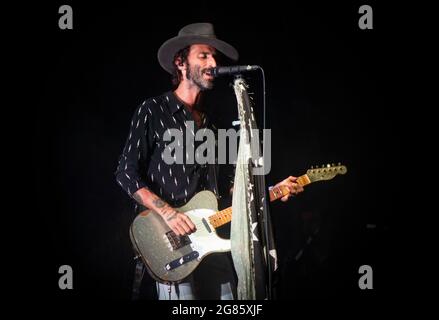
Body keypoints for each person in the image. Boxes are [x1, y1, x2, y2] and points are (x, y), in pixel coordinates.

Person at [115, 22, 304, 300]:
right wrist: (169, 212)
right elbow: (125, 172)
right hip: (170, 242)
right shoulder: (153, 110)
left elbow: (228, 191)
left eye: (214, 56)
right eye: (203, 55)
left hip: (211, 239)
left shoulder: (212, 126)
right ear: (181, 62)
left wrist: (271, 191)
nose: (213, 63)